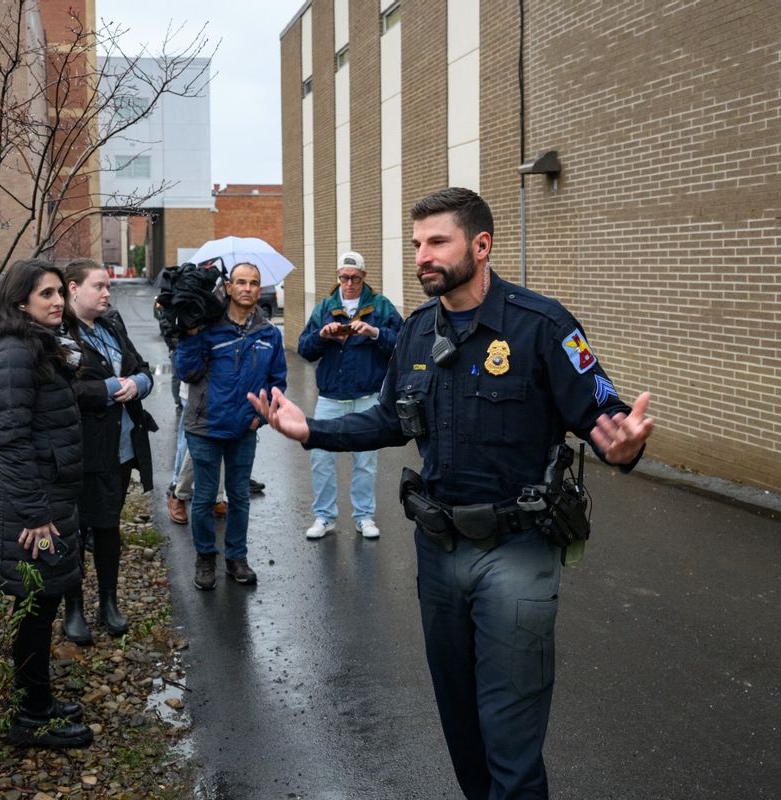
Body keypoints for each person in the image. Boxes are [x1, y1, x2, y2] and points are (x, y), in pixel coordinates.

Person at [250, 187, 654, 800]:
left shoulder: (543, 325)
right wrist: (311, 429)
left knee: (510, 738)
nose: (422, 257)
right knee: (461, 728)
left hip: (516, 552)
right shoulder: (414, 333)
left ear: (481, 245)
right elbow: (388, 419)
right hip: (438, 554)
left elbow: (604, 412)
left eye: (437, 242)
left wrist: (623, 446)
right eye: (417, 245)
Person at [0, 259, 92, 749]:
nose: (59, 301)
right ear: (20, 302)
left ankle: (38, 699)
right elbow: (13, 442)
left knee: (42, 605)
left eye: (61, 292)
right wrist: (37, 516)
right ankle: (31, 716)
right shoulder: (13, 353)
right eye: (47, 295)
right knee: (35, 610)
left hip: (50, 497)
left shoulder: (36, 345)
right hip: (33, 508)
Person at [175, 262, 286, 590]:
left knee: (238, 496)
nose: (248, 288)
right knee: (206, 497)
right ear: (228, 287)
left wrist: (262, 416)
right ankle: (205, 557)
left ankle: (236, 557)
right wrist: (191, 334)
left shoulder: (268, 333)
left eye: (254, 282)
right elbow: (188, 372)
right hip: (205, 427)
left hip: (244, 429)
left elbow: (277, 383)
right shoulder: (207, 327)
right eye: (240, 282)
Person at [60, 259, 155, 644]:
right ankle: (74, 608)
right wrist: (108, 389)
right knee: (75, 529)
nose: (106, 294)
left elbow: (142, 366)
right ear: (72, 288)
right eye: (98, 286)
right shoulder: (59, 333)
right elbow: (63, 390)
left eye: (107, 287)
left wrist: (139, 383)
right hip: (82, 450)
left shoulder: (111, 325)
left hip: (119, 448)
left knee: (108, 526)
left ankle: (109, 602)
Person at [296, 250, 402, 540]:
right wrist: (322, 336)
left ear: (364, 277)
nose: (350, 283)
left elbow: (403, 344)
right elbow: (304, 349)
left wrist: (374, 332)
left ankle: (364, 516)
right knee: (321, 459)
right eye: (344, 277)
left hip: (367, 397)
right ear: (338, 277)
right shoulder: (325, 308)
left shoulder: (380, 306)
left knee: (365, 461)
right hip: (330, 397)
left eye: (355, 277)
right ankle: (325, 517)